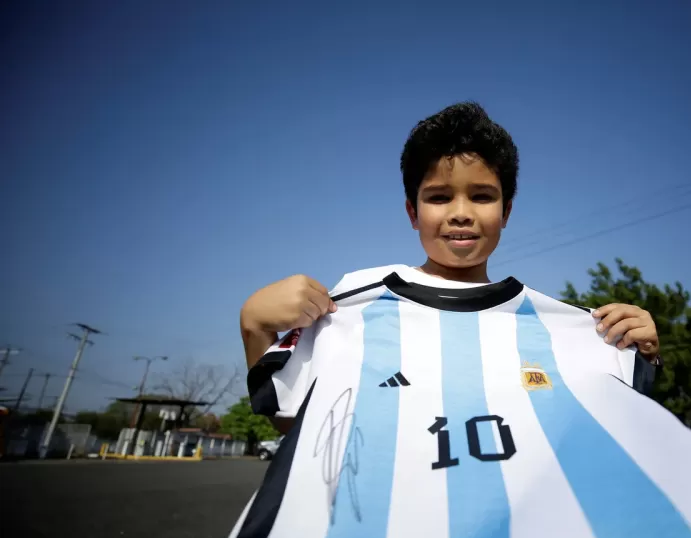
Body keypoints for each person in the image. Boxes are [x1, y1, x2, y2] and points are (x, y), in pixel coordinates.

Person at [239, 101, 660, 389]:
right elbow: (293, 422)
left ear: (506, 212)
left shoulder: (556, 326)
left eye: (481, 196)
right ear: (412, 211)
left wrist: (638, 352)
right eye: (439, 197)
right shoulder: (351, 301)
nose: (461, 213)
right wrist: (255, 326)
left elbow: (609, 417)